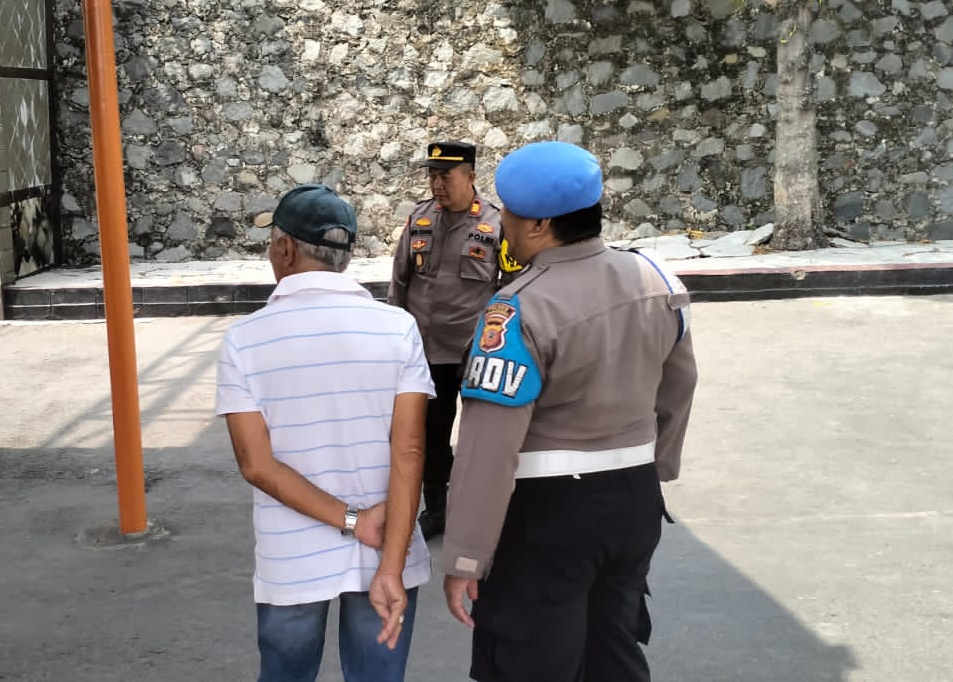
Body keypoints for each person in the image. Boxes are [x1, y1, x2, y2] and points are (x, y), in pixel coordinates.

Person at [439, 141, 699, 681]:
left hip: (547, 516)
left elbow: (488, 451)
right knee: (613, 652)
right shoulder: (656, 278)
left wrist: (466, 556)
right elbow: (679, 384)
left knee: (528, 663)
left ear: (539, 224)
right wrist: (656, 467)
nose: (502, 223)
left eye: (510, 213)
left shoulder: (517, 310)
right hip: (634, 503)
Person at [217, 184, 435, 682]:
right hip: (389, 545)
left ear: (284, 248)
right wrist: (390, 563)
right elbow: (409, 450)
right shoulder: (398, 328)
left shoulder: (244, 339)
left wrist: (353, 521)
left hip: (292, 557)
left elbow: (256, 464)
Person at [386, 140, 508, 540]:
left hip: (476, 352)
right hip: (426, 353)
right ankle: (437, 509)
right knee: (430, 437)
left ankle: (482, 510)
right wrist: (396, 341)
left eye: (446, 176)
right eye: (433, 176)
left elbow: (512, 288)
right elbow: (400, 282)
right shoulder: (420, 218)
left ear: (470, 177)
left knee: (482, 437)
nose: (437, 184)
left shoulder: (496, 223)